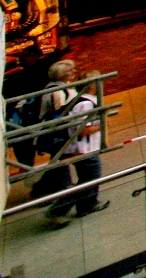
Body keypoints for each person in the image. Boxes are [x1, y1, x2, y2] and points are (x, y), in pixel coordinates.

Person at [36, 60, 106, 227]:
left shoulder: (74, 95)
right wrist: (101, 126)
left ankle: (86, 205)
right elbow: (79, 128)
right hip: (79, 147)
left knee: (86, 177)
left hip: (75, 146)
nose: (74, 71)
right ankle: (58, 210)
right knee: (89, 177)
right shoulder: (80, 101)